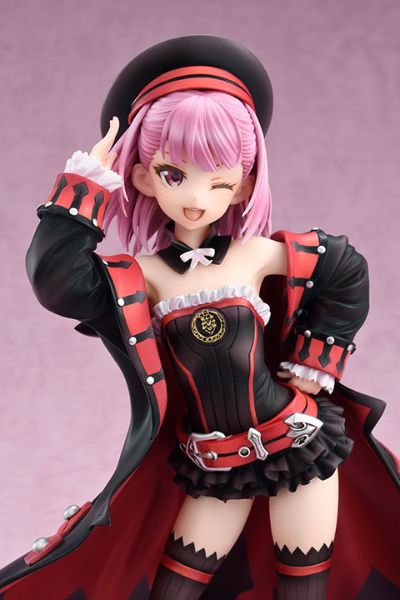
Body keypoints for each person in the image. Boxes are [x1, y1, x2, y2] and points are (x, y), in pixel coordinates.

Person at [0, 35, 398, 600]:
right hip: (214, 463)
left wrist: (319, 357)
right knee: (174, 588)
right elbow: (56, 281)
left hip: (299, 441)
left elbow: (344, 267)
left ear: (244, 183)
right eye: (174, 175)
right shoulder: (142, 275)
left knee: (305, 586)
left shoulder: (255, 255)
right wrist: (86, 183)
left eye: (219, 181)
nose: (196, 197)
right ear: (143, 177)